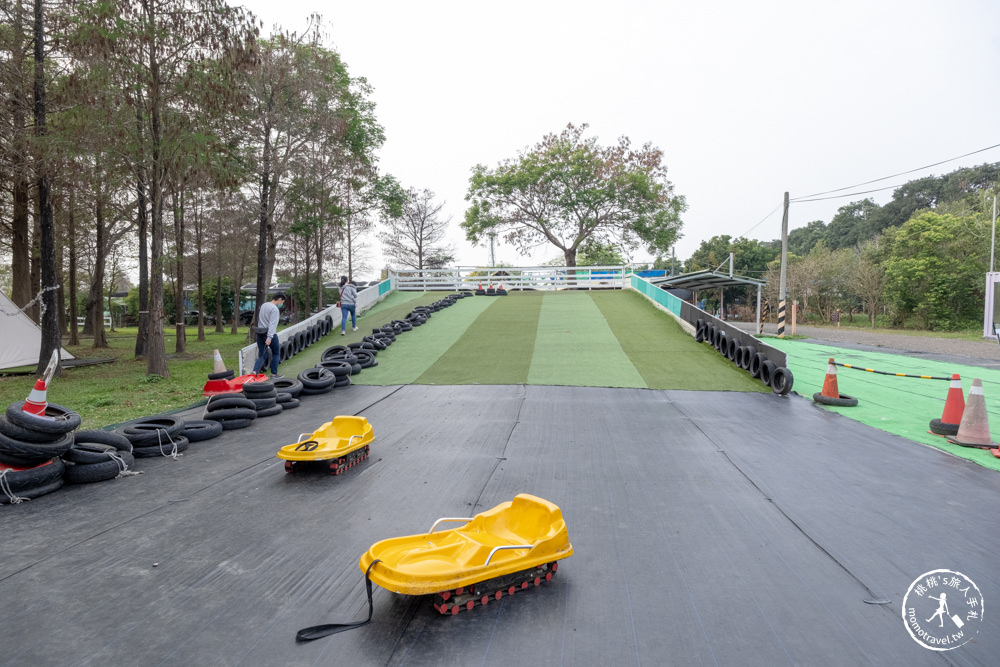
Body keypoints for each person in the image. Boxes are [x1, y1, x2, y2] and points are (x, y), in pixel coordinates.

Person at [252, 292, 285, 377]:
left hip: (260, 332)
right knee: (276, 353)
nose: (281, 304)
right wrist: (269, 337)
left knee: (262, 355)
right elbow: (272, 324)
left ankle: (255, 372)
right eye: (282, 302)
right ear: (280, 299)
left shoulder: (264, 305)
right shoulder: (274, 309)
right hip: (270, 334)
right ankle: (274, 373)